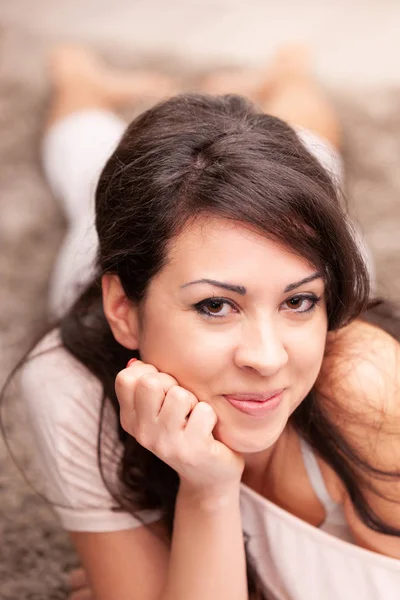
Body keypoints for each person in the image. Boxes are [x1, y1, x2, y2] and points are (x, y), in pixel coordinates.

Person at [12, 44, 400, 600]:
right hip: (122, 264)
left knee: (312, 146)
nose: (267, 357)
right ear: (123, 310)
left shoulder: (367, 386)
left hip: (304, 251)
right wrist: (208, 493)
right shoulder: (67, 383)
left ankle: (289, 71)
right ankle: (81, 78)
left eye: (298, 303)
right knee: (88, 170)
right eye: (215, 306)